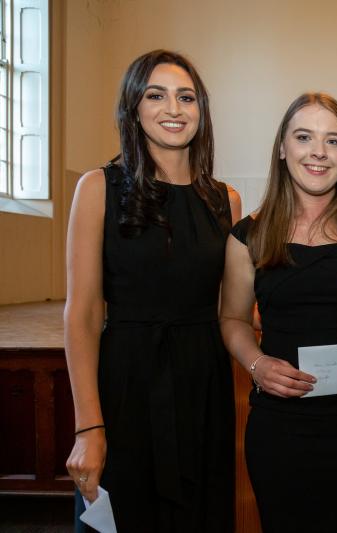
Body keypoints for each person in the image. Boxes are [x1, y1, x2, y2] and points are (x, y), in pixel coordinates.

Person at [64, 50, 240, 531]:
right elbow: (80, 316)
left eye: (186, 97)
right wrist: (89, 427)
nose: (173, 109)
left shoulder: (225, 200)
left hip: (203, 387)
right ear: (133, 108)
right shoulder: (98, 187)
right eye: (155, 95)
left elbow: (237, 312)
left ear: (200, 110)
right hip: (126, 383)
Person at [220, 93, 337, 533]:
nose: (318, 151)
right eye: (304, 137)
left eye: (333, 141)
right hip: (280, 424)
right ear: (282, 147)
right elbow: (233, 319)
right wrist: (256, 364)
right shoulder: (249, 236)